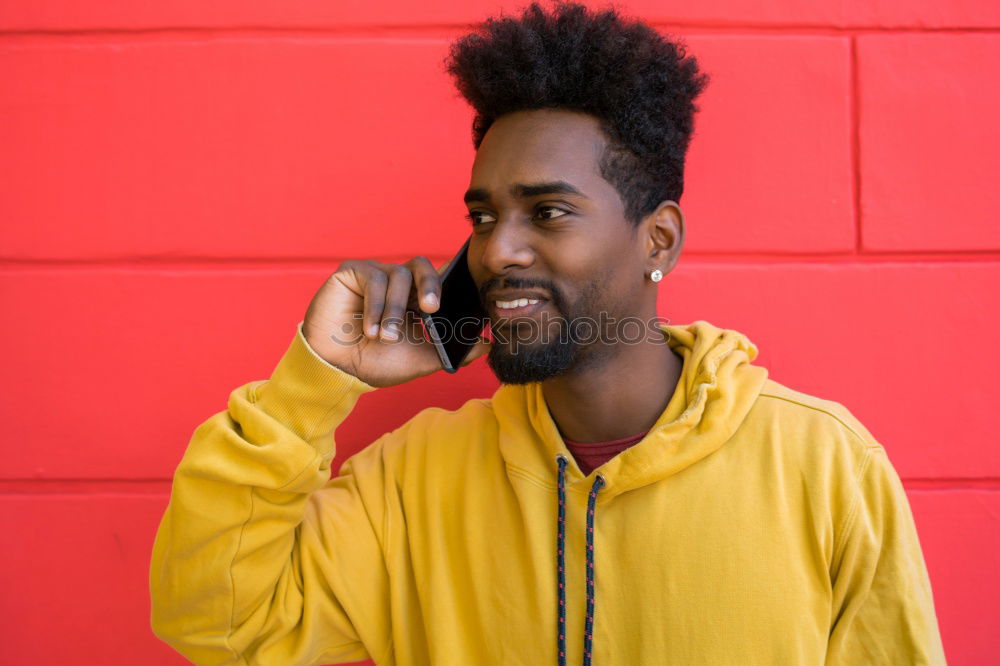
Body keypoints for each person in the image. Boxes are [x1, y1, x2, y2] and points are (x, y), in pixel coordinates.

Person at [149, 2, 946, 664]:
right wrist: (313, 382)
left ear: (658, 241)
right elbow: (217, 620)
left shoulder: (824, 465)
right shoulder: (412, 480)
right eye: (484, 216)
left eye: (549, 212)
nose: (496, 250)